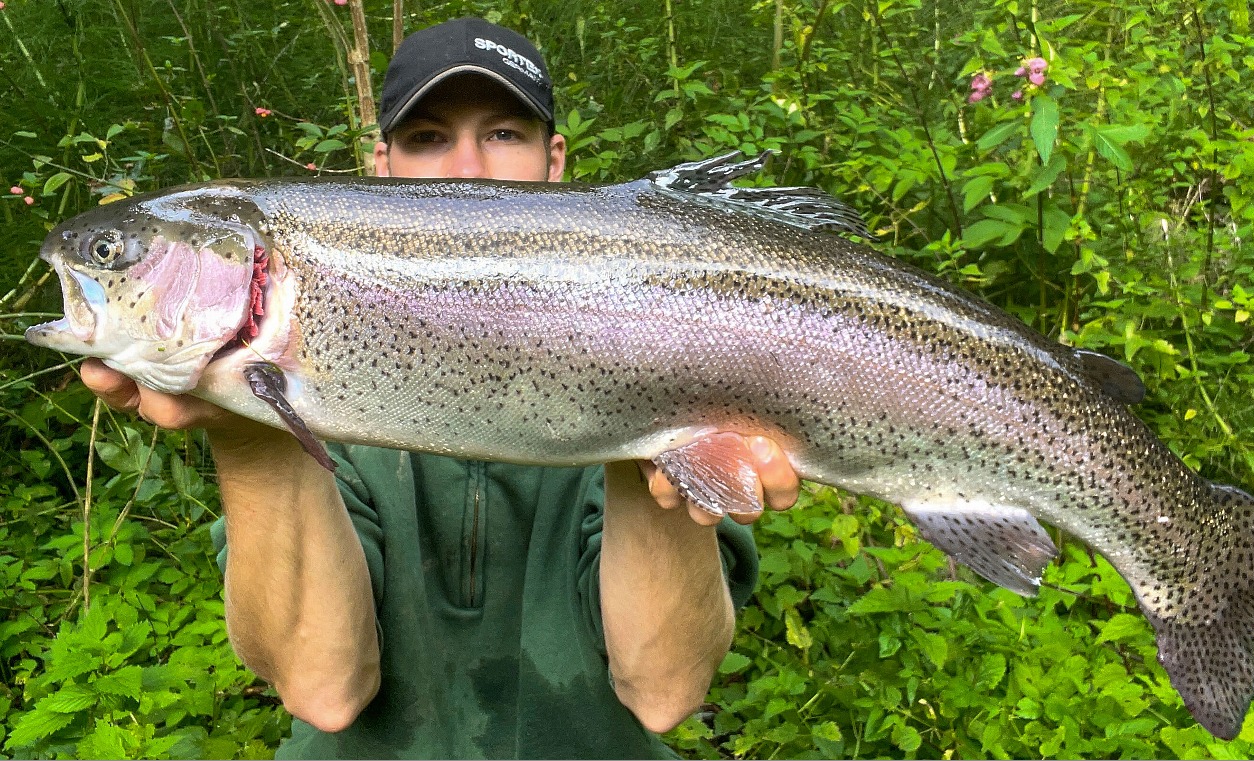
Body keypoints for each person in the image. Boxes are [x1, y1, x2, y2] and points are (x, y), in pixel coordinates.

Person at [79, 16, 801, 759]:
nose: (467, 168)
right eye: (427, 137)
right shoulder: (310, 371)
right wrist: (250, 434)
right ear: (380, 164)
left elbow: (664, 690)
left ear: (556, 161)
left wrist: (651, 418)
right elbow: (323, 689)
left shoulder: (661, 321)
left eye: (503, 134)